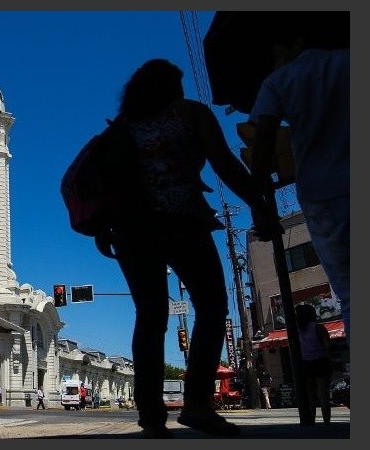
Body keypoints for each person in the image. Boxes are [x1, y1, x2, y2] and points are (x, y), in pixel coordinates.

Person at [93, 59, 281, 439]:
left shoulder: (123, 127)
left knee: (150, 317)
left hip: (132, 230)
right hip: (184, 222)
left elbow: (102, 181)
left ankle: (150, 416)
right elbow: (224, 164)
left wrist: (101, 228)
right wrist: (258, 202)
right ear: (172, 88)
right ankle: (196, 404)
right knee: (211, 308)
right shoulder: (192, 113)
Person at [249, 34, 350, 347]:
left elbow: (261, 141)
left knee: (349, 291)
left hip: (323, 191)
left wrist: (259, 203)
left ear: (287, 45)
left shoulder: (279, 81)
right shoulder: (346, 59)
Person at [295, 303, 334, 425]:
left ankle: (311, 420)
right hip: (321, 361)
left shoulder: (297, 330)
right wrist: (331, 359)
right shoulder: (319, 328)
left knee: (310, 395)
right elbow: (328, 346)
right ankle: (326, 421)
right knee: (323, 394)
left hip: (306, 363)